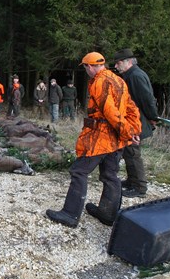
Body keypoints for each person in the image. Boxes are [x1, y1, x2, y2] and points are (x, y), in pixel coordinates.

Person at [46, 52, 141, 228]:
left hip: (100, 137)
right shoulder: (119, 80)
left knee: (79, 171)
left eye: (85, 67)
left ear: (89, 66)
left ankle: (70, 214)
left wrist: (127, 133)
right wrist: (133, 130)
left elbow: (110, 112)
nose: (86, 71)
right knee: (110, 174)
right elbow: (132, 108)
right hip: (116, 138)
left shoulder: (99, 82)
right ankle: (108, 214)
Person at [114, 48, 158, 198]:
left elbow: (147, 99)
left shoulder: (135, 76)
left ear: (127, 62)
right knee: (128, 152)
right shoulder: (131, 74)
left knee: (133, 153)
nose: (116, 66)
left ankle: (139, 187)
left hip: (136, 121)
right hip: (132, 120)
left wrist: (153, 117)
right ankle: (132, 180)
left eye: (118, 63)